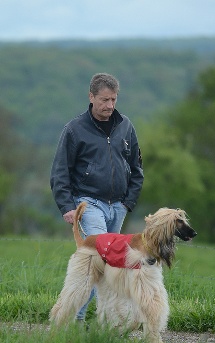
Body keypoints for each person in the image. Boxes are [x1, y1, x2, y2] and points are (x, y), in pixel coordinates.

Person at [50, 72, 144, 322]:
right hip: (88, 203)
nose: (110, 106)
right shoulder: (74, 129)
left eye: (113, 99)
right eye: (104, 100)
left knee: (106, 267)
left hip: (119, 207)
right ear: (91, 97)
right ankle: (77, 322)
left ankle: (102, 323)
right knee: (97, 263)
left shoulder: (126, 125)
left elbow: (137, 168)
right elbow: (60, 171)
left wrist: (128, 202)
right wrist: (66, 207)